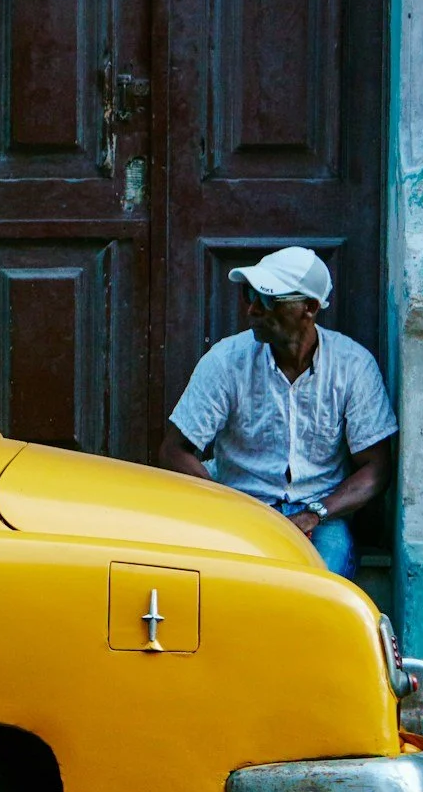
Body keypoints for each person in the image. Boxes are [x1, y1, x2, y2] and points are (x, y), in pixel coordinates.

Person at [158, 246, 395, 580]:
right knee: (230, 587)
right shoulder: (226, 361)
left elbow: (376, 468)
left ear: (309, 308)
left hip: (320, 514)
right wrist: (230, 507)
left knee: (319, 587)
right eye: (249, 295)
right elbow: (174, 450)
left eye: (268, 300)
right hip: (240, 508)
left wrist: (316, 513)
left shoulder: (353, 366)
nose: (253, 309)